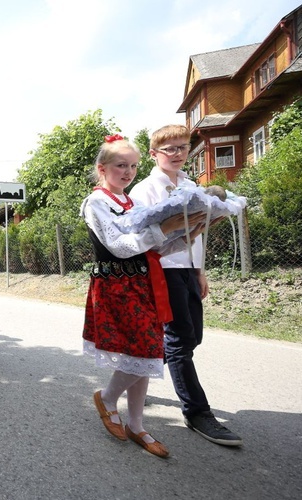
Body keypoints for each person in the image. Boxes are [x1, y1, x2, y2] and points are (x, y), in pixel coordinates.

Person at [81, 134, 207, 458]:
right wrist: (166, 229)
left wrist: (187, 234)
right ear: (102, 168)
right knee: (148, 351)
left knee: (146, 354)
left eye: (133, 166)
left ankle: (136, 424)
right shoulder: (96, 202)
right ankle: (108, 399)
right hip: (117, 285)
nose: (128, 172)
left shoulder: (133, 203)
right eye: (121, 165)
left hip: (144, 282)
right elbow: (119, 246)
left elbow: (155, 246)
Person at [129, 124, 243, 447]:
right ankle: (197, 412)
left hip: (189, 270)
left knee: (193, 337)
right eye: (170, 149)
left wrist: (200, 270)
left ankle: (131, 374)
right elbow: (145, 234)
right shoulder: (145, 190)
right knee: (180, 339)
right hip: (163, 270)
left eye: (183, 147)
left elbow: (199, 231)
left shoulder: (193, 186)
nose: (178, 153)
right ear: (154, 154)